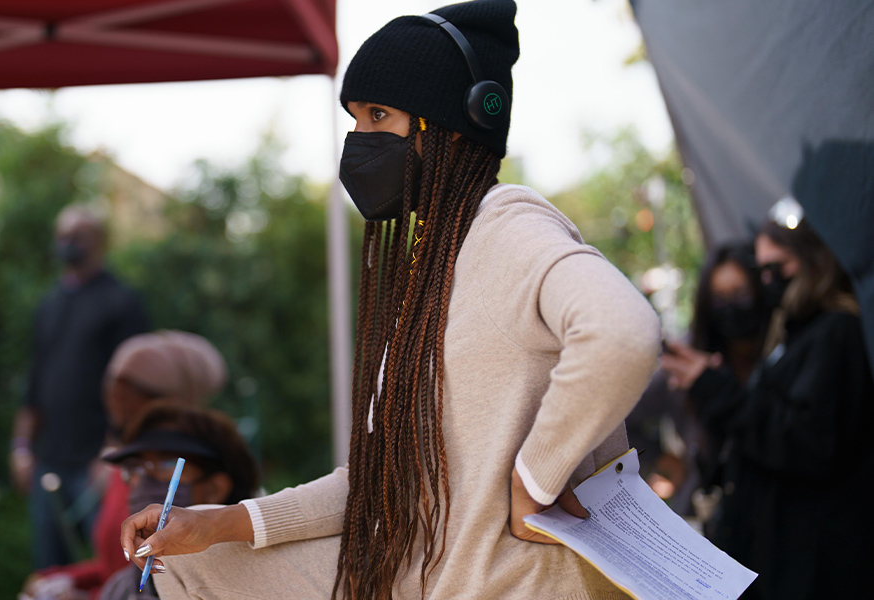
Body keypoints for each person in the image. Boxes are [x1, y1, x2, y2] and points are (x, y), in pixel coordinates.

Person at [120, 2, 662, 598]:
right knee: (187, 565)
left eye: (379, 115)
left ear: (457, 124)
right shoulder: (433, 259)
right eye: (354, 119)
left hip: (508, 583)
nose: (359, 140)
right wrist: (220, 522)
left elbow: (622, 333)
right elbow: (378, 486)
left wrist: (535, 478)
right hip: (422, 574)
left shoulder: (506, 225)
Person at [662, 209, 873, 599]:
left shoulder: (835, 332)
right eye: (762, 270)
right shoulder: (795, 338)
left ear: (814, 259)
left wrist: (720, 391)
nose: (770, 280)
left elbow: (808, 440)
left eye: (779, 265)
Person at [23, 331, 228, 599]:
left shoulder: (186, 478)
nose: (114, 398)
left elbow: (160, 582)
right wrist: (59, 577)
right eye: (112, 385)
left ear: (170, 400)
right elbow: (115, 565)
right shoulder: (129, 466)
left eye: (131, 389)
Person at [13, 203, 150, 569]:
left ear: (101, 241)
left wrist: (114, 450)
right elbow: (35, 381)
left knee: (107, 565)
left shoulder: (122, 301)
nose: (69, 243)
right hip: (48, 461)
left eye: (79, 235)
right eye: (63, 235)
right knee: (51, 570)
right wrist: (22, 446)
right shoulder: (48, 305)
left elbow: (134, 385)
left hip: (97, 464)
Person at [25, 402, 258, 600]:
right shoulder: (124, 585)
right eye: (135, 467)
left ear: (215, 489)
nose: (144, 481)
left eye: (167, 465)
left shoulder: (250, 579)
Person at [626, 244, 768, 513]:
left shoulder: (781, 352)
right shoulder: (687, 360)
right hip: (708, 506)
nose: (731, 309)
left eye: (741, 294)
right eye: (720, 299)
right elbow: (622, 415)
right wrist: (660, 458)